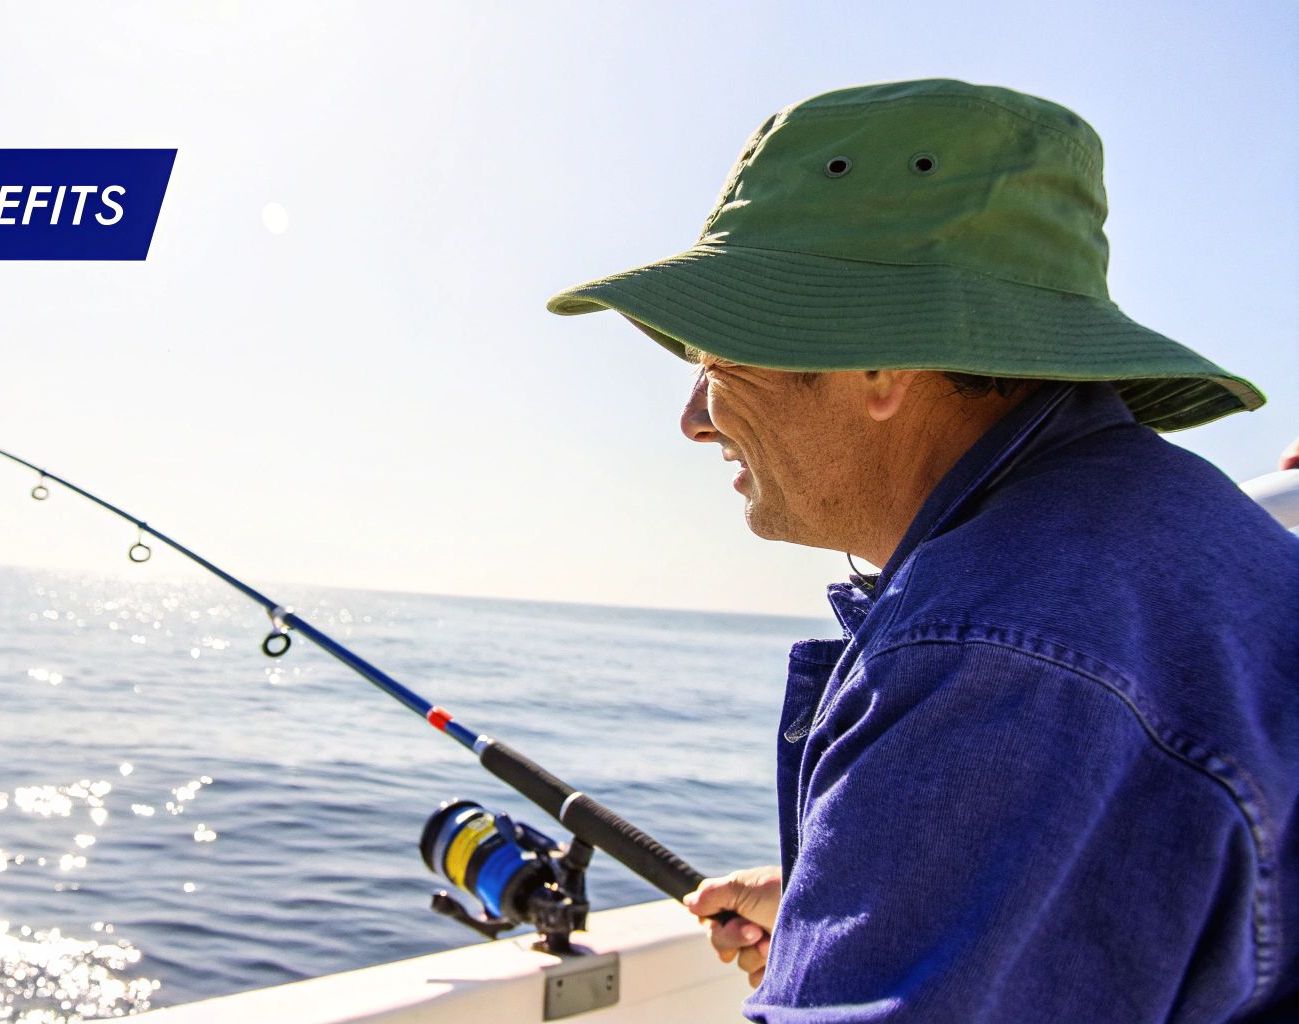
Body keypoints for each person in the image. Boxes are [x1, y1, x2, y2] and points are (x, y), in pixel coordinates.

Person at [546, 79, 1299, 1021]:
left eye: (718, 360)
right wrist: (880, 913)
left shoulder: (995, 651)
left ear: (880, 360)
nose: (694, 419)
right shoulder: (1166, 534)